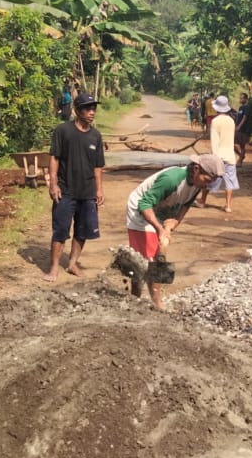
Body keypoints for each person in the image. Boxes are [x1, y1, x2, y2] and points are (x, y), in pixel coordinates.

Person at [125, 155, 224, 308]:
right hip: (141, 210)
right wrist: (159, 229)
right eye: (208, 180)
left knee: (159, 256)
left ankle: (154, 298)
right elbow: (144, 204)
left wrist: (175, 222)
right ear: (196, 169)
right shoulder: (172, 179)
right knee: (146, 259)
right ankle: (139, 299)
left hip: (161, 210)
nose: (209, 186)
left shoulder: (198, 183)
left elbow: (186, 204)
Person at [45, 92, 106, 280]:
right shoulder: (63, 131)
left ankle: (72, 264)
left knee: (83, 230)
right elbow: (54, 158)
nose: (91, 112)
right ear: (77, 111)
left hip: (87, 193)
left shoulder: (96, 136)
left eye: (93, 108)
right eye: (87, 108)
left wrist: (99, 189)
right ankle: (54, 267)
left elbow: (98, 167)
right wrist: (53, 184)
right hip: (66, 191)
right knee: (61, 230)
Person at [198, 94, 238, 211]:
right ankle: (228, 206)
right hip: (230, 156)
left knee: (208, 178)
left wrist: (213, 157)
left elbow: (214, 141)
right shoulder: (231, 121)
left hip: (218, 156)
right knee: (229, 181)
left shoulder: (215, 121)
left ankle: (202, 201)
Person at [233, 92, 252, 164]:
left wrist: (239, 126)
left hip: (244, 129)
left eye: (242, 98)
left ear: (245, 99)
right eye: (240, 98)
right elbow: (239, 117)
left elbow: (244, 118)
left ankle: (240, 160)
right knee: (232, 144)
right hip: (238, 129)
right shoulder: (241, 107)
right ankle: (241, 155)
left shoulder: (247, 107)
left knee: (242, 146)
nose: (240, 99)